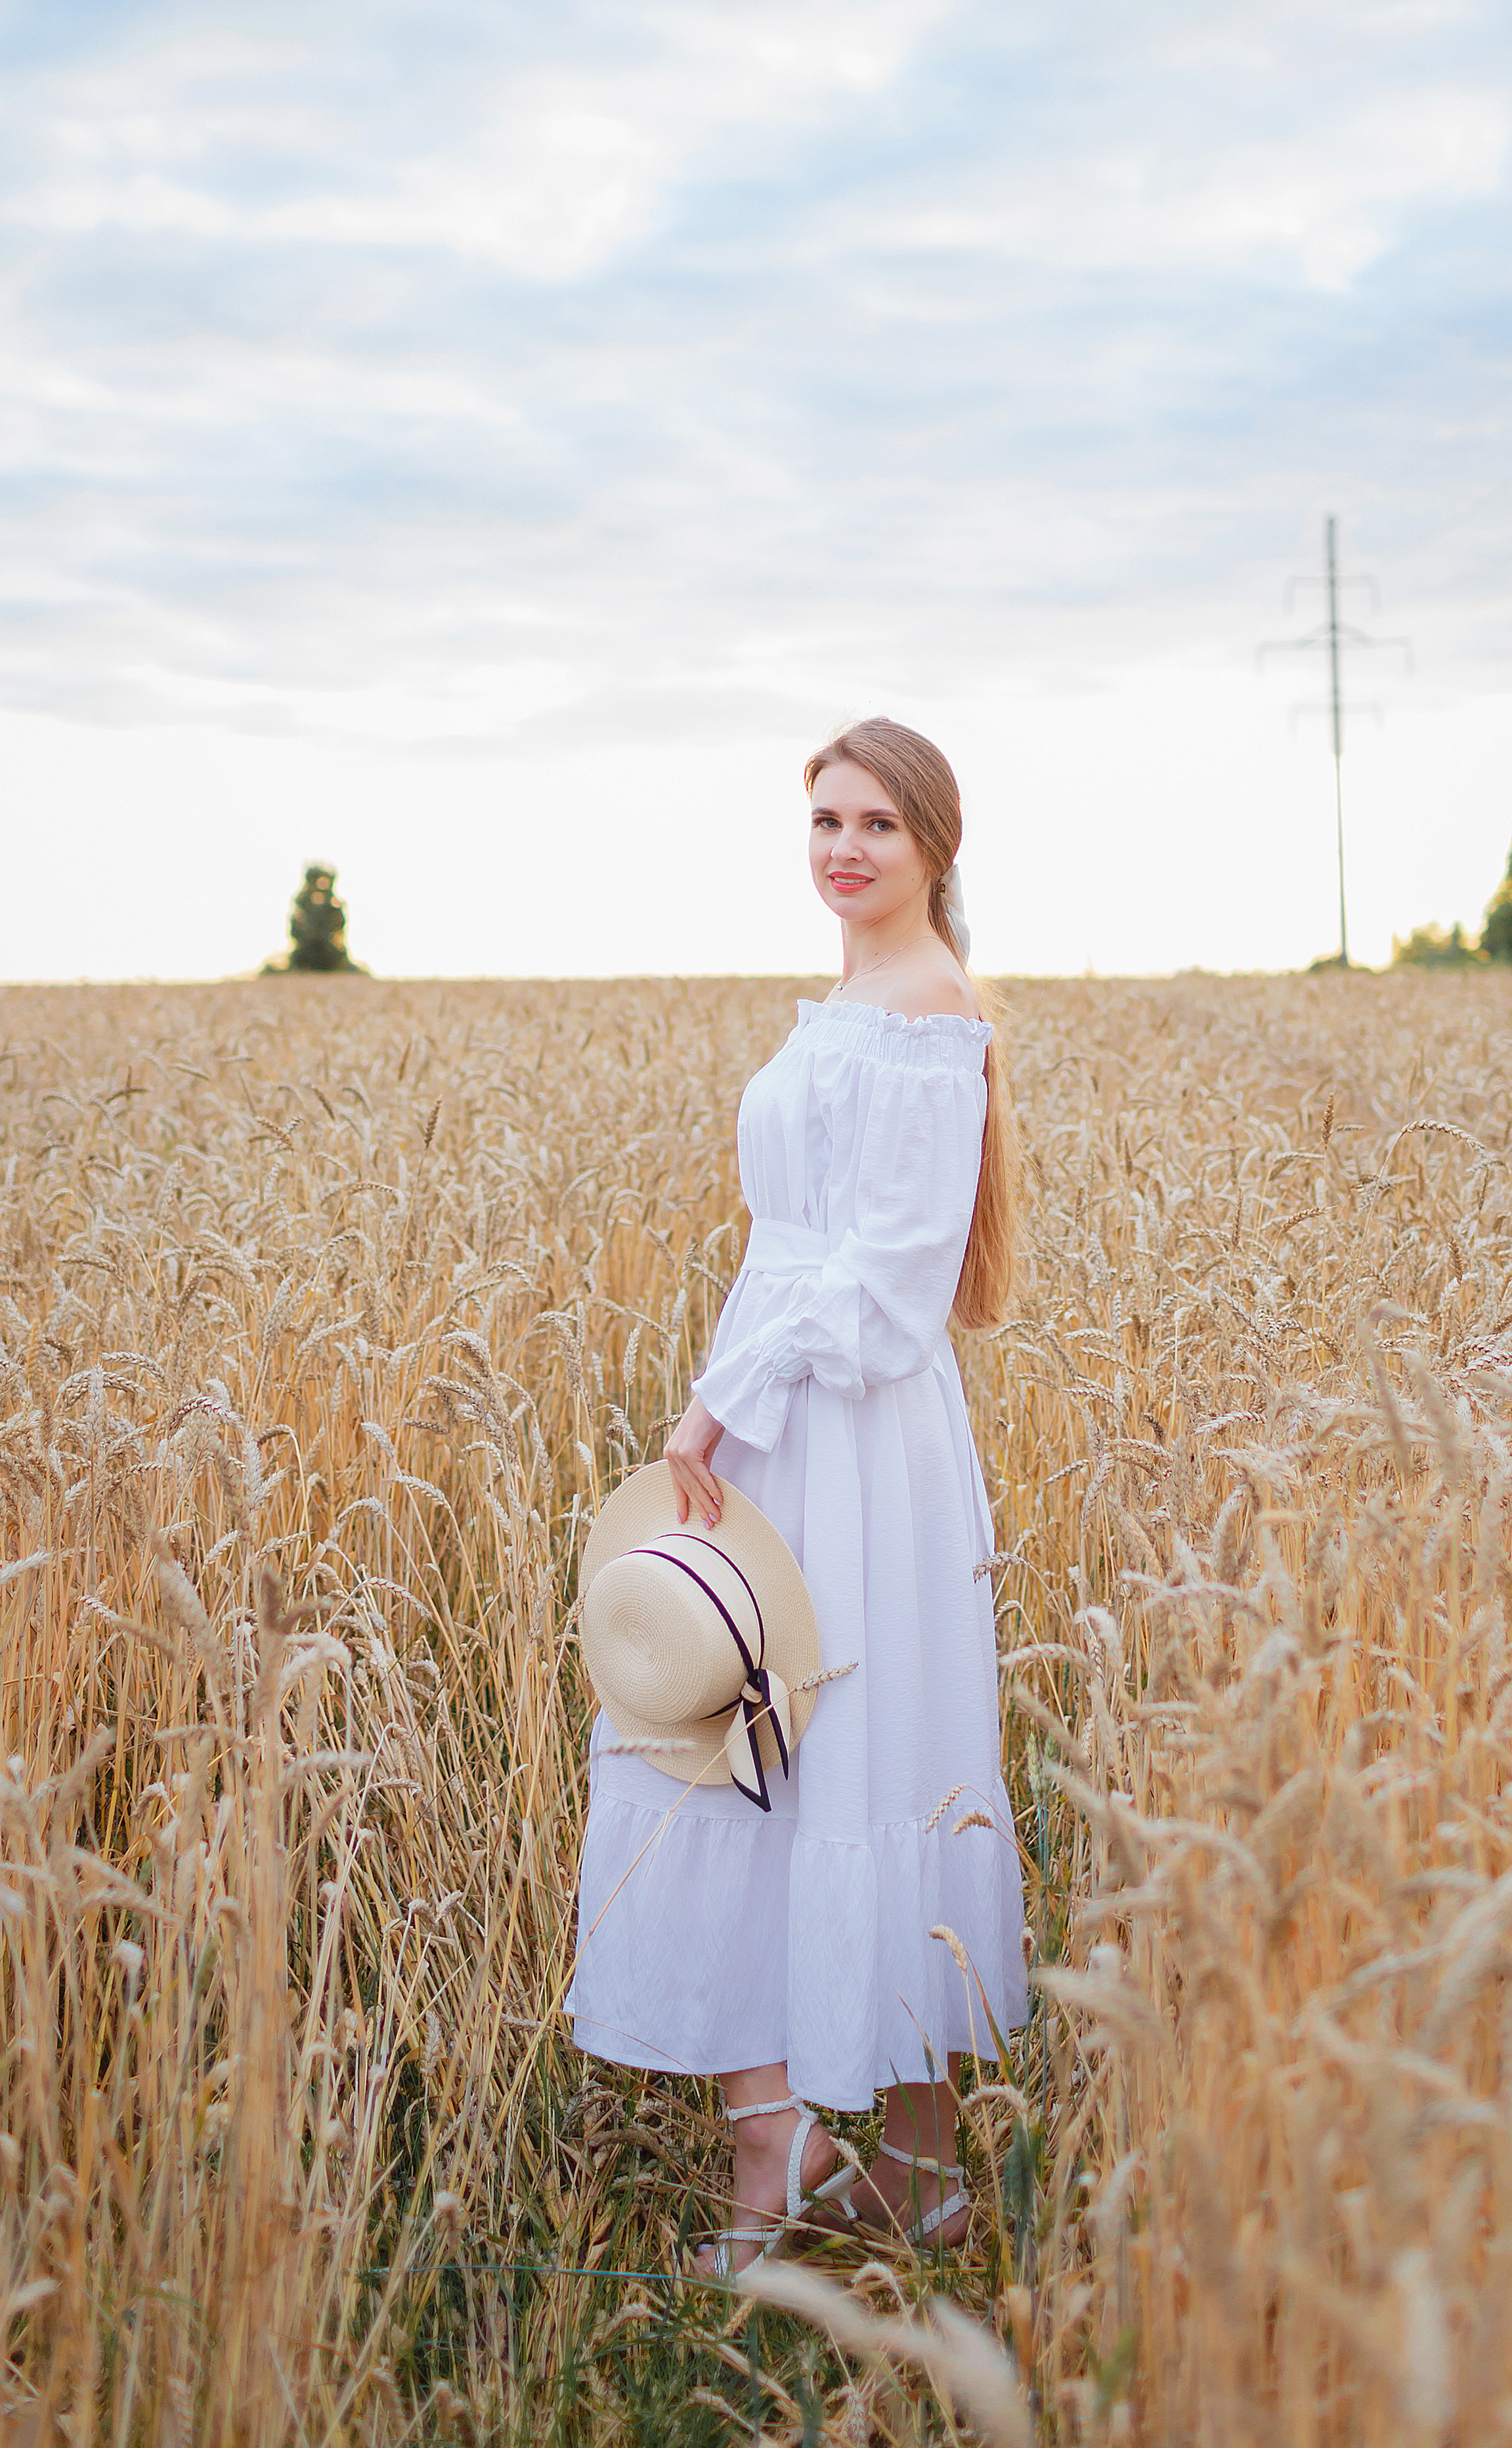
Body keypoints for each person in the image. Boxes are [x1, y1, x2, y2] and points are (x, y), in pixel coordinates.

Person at [567, 717, 1028, 2267]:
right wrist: (732, 1392)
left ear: (933, 844)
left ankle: (826, 2158)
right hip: (780, 1410)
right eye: (826, 818)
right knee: (762, 1750)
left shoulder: (929, 1008)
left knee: (845, 1754)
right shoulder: (851, 1000)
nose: (843, 846)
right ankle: (864, 2159)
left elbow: (889, 1289)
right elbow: (800, 1246)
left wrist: (716, 1403)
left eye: (876, 822)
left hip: (846, 1434)